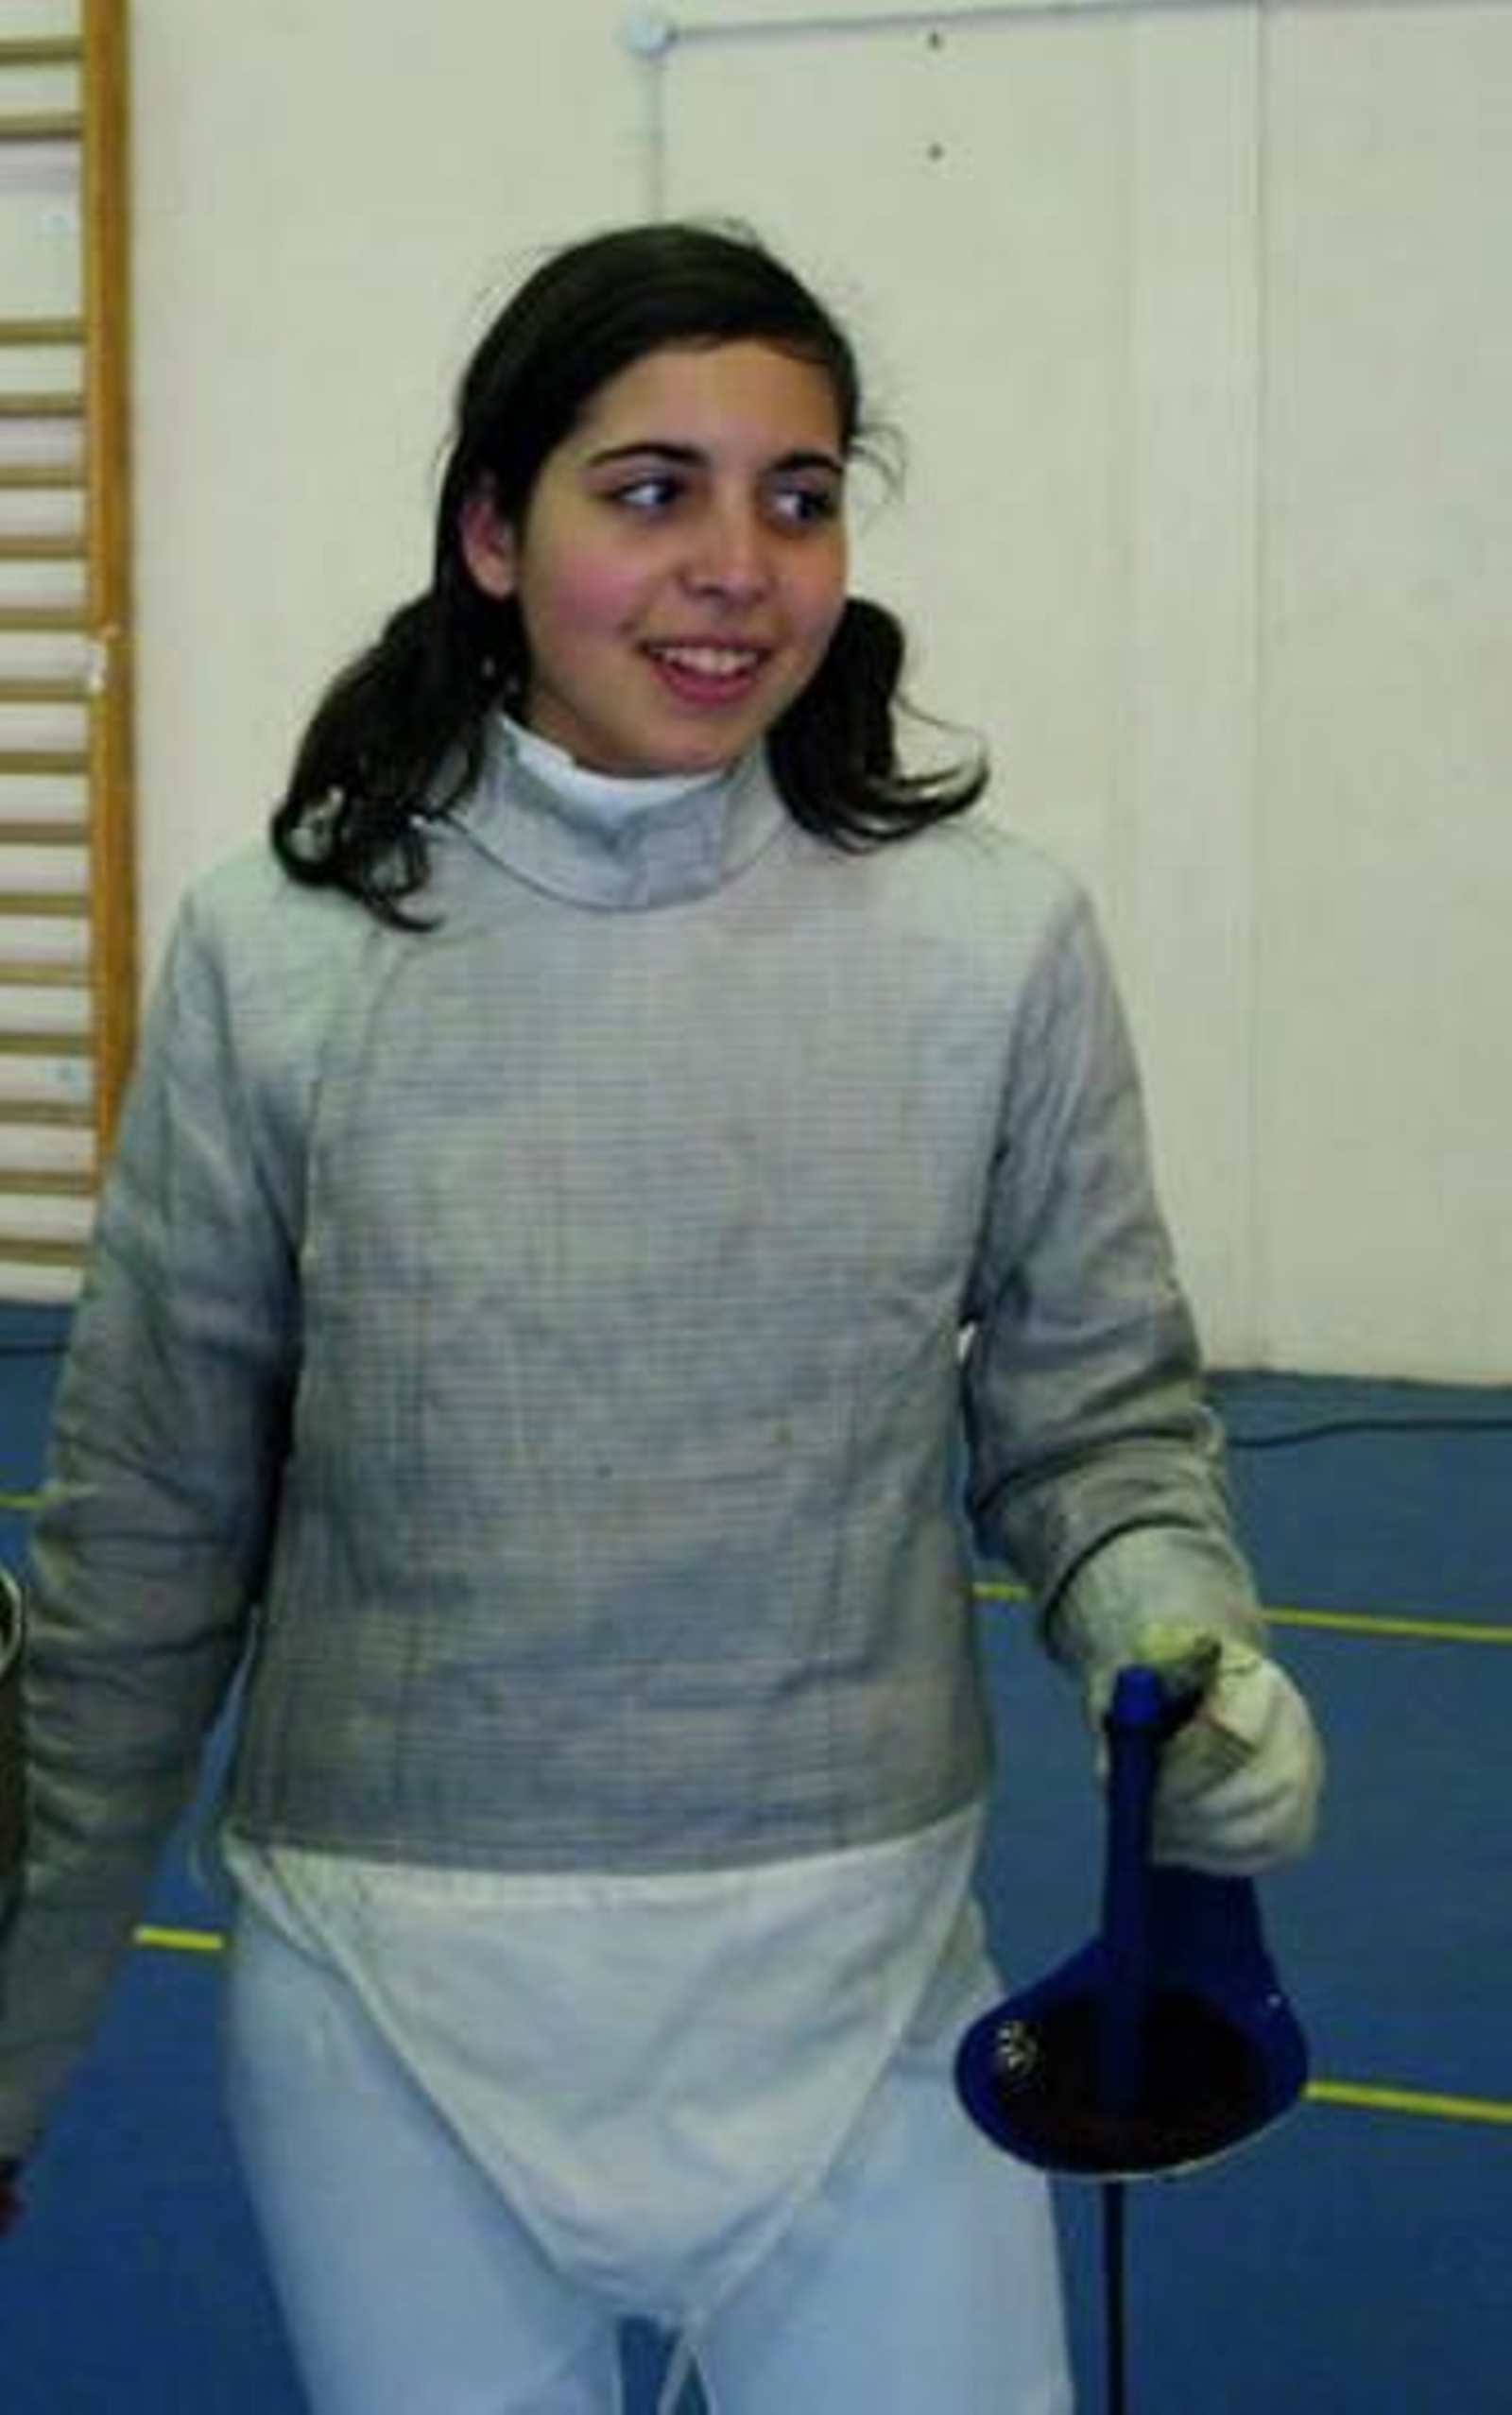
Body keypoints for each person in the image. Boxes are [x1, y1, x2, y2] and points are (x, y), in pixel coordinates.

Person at [0, 221, 1322, 2410]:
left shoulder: (989, 947)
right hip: (386, 1997)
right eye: (651, 492)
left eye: (794, 498)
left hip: (862, 1982)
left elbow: (1095, 1433)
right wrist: (13, 2053)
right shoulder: (279, 955)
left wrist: (1177, 1637)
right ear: (492, 536)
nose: (736, 565)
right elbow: (142, 1554)